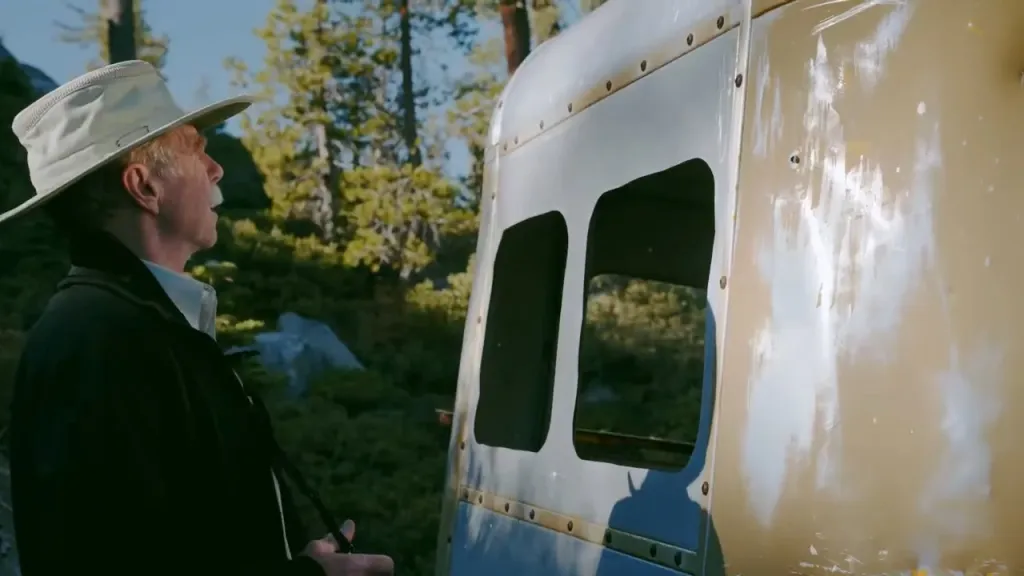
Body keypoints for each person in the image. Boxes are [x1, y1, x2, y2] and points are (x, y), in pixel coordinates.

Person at [3, 60, 394, 575]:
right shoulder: (94, 343)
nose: (217, 169)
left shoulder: (137, 325)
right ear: (144, 187)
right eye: (195, 149)